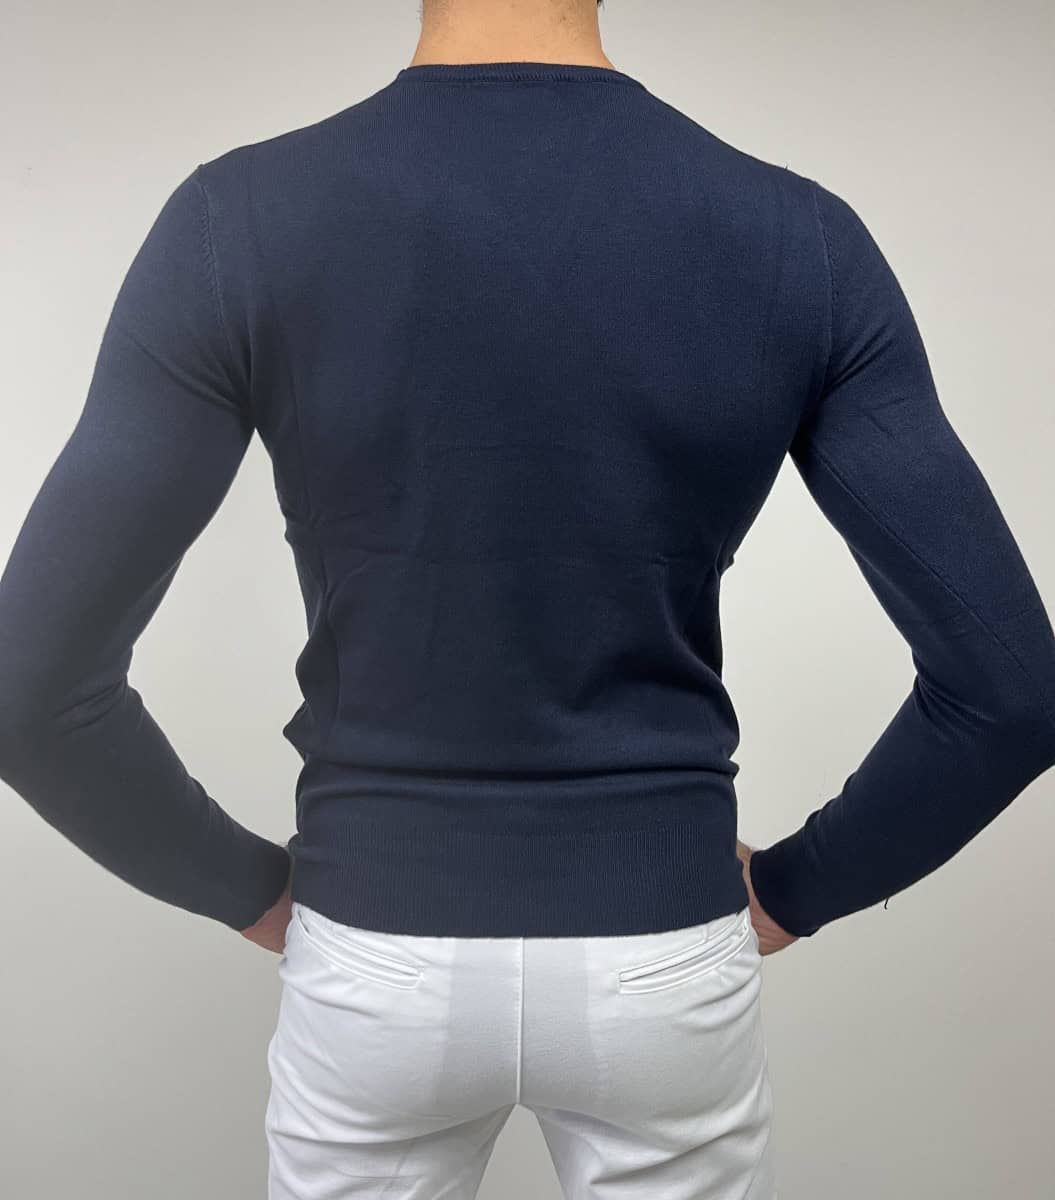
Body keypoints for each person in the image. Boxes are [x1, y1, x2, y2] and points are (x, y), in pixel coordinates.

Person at [2, 1, 1054, 1197]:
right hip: (660, 953)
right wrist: (792, 889)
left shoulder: (233, 222)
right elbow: (1010, 688)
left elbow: (30, 690)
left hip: (376, 950)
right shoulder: (799, 239)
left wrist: (249, 890)